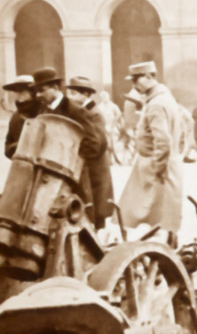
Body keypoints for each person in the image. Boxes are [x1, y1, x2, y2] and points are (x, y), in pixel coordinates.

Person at [119, 60, 186, 240]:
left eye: (136, 80)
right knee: (165, 219)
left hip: (157, 169)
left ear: (149, 77)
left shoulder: (156, 104)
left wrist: (157, 168)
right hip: (167, 165)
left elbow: (162, 141)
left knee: (152, 221)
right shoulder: (166, 98)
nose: (134, 86)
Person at [32, 68, 109, 227]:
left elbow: (94, 144)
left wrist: (73, 159)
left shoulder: (76, 110)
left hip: (75, 175)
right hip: (54, 174)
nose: (38, 95)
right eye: (36, 91)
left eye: (42, 91)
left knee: (80, 216)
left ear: (55, 88)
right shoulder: (44, 110)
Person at [65, 75, 114, 228]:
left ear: (85, 94)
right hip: (88, 166)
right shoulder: (82, 111)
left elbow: (99, 143)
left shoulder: (94, 113)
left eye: (73, 94)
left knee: (98, 204)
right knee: (90, 202)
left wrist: (82, 154)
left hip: (95, 167)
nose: (70, 98)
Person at [3, 75, 38, 159]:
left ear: (32, 93)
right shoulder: (16, 117)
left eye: (22, 92)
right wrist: (15, 148)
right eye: (17, 92)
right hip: (22, 163)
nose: (19, 95)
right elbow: (8, 144)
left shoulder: (43, 111)